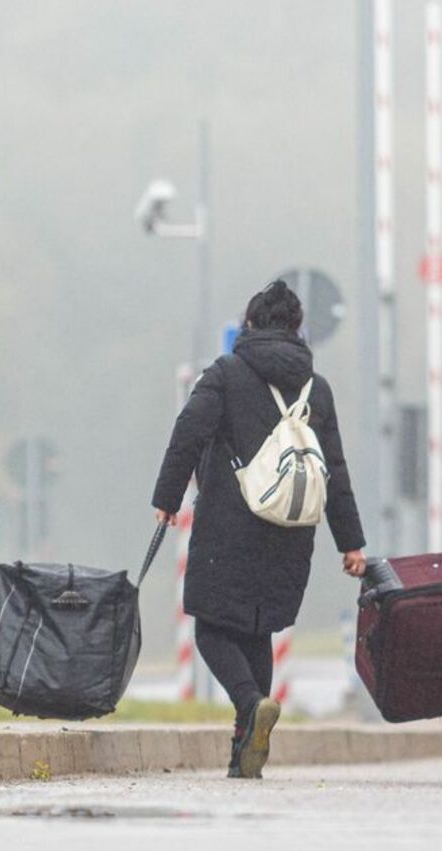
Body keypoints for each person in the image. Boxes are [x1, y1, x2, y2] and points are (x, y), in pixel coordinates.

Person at [149, 279, 366, 779]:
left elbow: (187, 435)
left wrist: (166, 499)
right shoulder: (318, 388)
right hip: (291, 531)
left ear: (249, 324)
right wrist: (350, 541)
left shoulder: (226, 374)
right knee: (257, 630)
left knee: (209, 627)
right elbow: (334, 466)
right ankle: (245, 749)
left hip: (228, 523)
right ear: (297, 329)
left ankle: (250, 706)